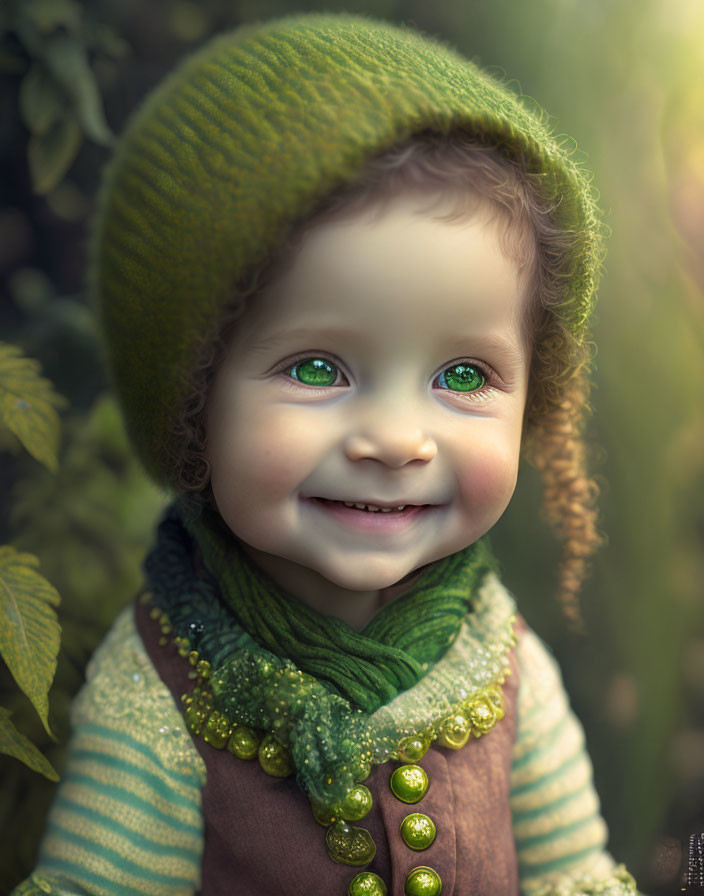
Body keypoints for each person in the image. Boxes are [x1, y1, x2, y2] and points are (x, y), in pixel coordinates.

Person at [13, 12, 645, 896]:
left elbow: (573, 876)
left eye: (464, 373)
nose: (396, 439)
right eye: (317, 367)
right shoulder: (159, 689)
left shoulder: (501, 661)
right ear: (193, 404)